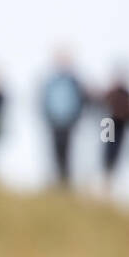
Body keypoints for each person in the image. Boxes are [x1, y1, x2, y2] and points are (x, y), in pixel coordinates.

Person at [40, 51, 86, 186]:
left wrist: (76, 118)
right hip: (54, 121)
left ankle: (65, 181)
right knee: (55, 151)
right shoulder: (51, 81)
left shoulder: (74, 81)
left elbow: (80, 101)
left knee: (67, 151)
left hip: (69, 122)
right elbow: (44, 100)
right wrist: (48, 117)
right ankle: (57, 179)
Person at [96, 71, 129, 186]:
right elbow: (103, 105)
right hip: (108, 124)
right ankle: (105, 176)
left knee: (115, 153)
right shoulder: (112, 92)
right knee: (107, 152)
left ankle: (109, 178)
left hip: (119, 127)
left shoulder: (126, 94)